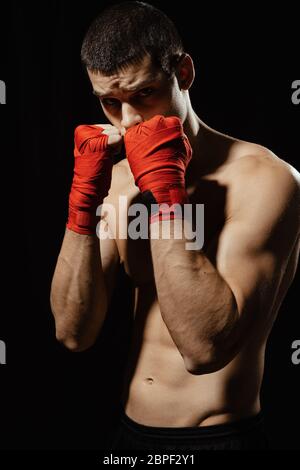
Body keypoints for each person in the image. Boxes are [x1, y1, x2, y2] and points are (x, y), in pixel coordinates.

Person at [50, 1, 300, 451]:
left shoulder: (266, 180)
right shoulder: (118, 177)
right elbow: (73, 332)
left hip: (218, 438)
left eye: (144, 94)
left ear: (183, 74)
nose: (129, 121)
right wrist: (82, 205)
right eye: (111, 103)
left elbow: (203, 351)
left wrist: (168, 196)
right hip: (130, 435)